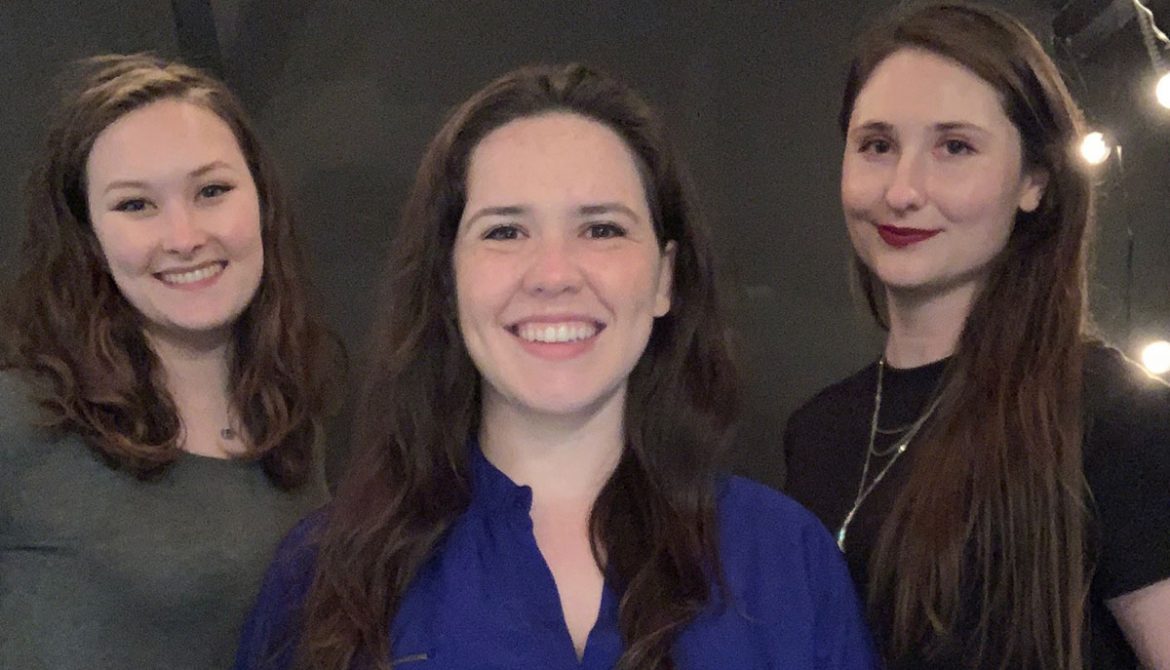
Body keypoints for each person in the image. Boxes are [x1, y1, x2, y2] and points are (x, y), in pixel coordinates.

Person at [235, 63, 875, 669]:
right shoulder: (322, 580)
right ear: (447, 281)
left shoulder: (787, 562)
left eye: (601, 229)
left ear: (665, 279)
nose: (554, 274)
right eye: (505, 231)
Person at [783, 3, 1170, 669]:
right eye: (877, 145)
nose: (902, 190)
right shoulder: (817, 430)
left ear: (1034, 180)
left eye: (955, 147)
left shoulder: (1114, 418)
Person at [0, 54, 339, 669]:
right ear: (89, 236)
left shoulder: (292, 421)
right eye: (136, 205)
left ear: (262, 203)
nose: (184, 237)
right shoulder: (22, 419)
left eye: (211, 191)